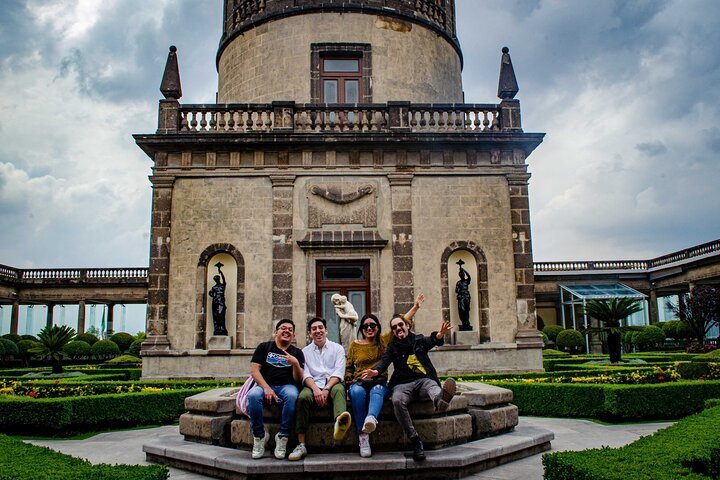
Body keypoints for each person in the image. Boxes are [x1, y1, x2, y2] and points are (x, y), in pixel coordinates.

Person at [362, 315, 455, 462]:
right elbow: (384, 361)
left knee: (432, 386)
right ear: (393, 332)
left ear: (407, 326)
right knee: (397, 400)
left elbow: (432, 340)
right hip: (402, 384)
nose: (398, 328)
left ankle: (440, 400)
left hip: (422, 381)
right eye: (394, 327)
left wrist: (440, 334)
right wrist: (375, 371)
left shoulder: (418, 340)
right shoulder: (392, 347)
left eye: (400, 325)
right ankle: (415, 440)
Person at [344, 293, 424, 457]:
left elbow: (402, 322)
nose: (369, 328)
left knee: (377, 390)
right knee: (358, 392)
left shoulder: (384, 341)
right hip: (359, 383)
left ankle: (371, 419)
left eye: (372, 325)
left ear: (377, 327)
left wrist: (415, 307)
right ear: (361, 329)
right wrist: (349, 379)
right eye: (365, 326)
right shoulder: (354, 345)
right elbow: (349, 367)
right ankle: (363, 437)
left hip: (379, 382)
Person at [288, 317, 351, 461]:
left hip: (333, 384)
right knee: (303, 398)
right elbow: (306, 374)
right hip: (313, 385)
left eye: (320, 328)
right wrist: (316, 389)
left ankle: (339, 423)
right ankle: (301, 444)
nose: (318, 331)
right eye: (314, 329)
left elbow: (338, 372)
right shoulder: (305, 351)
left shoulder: (337, 348)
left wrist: (327, 388)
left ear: (326, 331)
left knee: (339, 391)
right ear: (310, 333)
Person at [247, 319, 304, 460]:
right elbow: (255, 371)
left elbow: (298, 379)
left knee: (292, 396)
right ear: (276, 332)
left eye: (290, 329)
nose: (287, 331)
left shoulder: (297, 352)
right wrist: (266, 388)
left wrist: (296, 364)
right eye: (283, 328)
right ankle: (260, 436)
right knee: (253, 396)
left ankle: (282, 437)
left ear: (294, 335)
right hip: (265, 385)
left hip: (287, 386)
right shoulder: (264, 347)